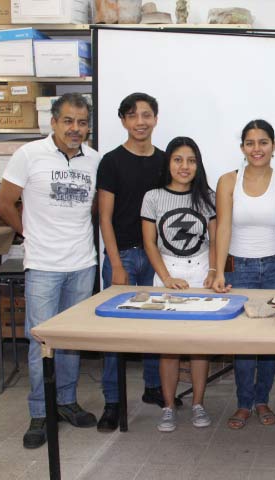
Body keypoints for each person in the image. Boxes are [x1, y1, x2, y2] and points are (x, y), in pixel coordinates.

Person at [0, 93, 100, 449]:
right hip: (42, 265)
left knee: (71, 340)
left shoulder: (95, 160)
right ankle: (40, 411)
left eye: (82, 122)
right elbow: (4, 204)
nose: (75, 129)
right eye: (68, 121)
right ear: (53, 122)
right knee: (41, 341)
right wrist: (29, 233)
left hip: (82, 264)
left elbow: (94, 209)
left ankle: (66, 402)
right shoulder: (29, 154)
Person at [96, 93, 168, 432]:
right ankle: (113, 401)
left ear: (155, 119)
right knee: (115, 334)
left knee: (155, 326)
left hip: (156, 256)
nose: (141, 121)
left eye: (146, 114)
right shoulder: (111, 162)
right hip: (122, 255)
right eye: (133, 115)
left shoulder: (165, 161)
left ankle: (153, 387)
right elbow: (104, 218)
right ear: (124, 121)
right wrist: (116, 264)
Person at [212, 120, 275, 429]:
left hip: (274, 267)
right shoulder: (228, 181)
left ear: (274, 146)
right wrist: (218, 270)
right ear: (242, 147)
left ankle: (262, 400)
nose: (257, 149)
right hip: (239, 268)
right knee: (243, 340)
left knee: (269, 339)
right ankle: (243, 403)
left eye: (263, 142)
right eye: (250, 143)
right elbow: (223, 228)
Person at [141, 136, 217, 432]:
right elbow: (150, 242)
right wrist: (166, 278)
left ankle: (198, 403)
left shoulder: (208, 196)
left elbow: (215, 239)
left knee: (200, 346)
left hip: (201, 274)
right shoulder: (153, 197)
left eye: (191, 160)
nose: (185, 166)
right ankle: (168, 406)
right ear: (168, 163)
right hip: (167, 274)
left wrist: (213, 271)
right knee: (168, 347)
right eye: (178, 160)